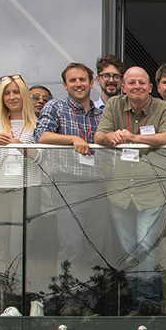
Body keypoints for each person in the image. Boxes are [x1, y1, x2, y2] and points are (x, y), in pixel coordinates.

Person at [96, 65, 166, 316]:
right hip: (120, 191)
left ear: (150, 87)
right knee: (129, 248)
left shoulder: (162, 107)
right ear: (124, 87)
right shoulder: (113, 106)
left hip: (152, 191)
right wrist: (113, 137)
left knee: (145, 245)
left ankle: (149, 300)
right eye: (131, 83)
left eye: (142, 83)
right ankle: (137, 301)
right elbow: (99, 136)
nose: (137, 87)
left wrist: (134, 138)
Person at [34, 62, 111, 315]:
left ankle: (87, 302)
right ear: (65, 85)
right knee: (71, 246)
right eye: (72, 80)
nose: (78, 84)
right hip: (69, 183)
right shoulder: (56, 106)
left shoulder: (102, 114)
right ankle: (67, 301)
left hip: (98, 185)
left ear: (92, 83)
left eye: (83, 80)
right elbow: (42, 136)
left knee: (94, 248)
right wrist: (73, 139)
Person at [0, 75, 42, 314]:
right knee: (1, 252)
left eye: (16, 92)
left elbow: (42, 159)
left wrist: (20, 145)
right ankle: (8, 304)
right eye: (7, 93)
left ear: (24, 95)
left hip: (26, 189)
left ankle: (26, 301)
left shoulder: (37, 124)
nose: (12, 97)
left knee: (21, 248)